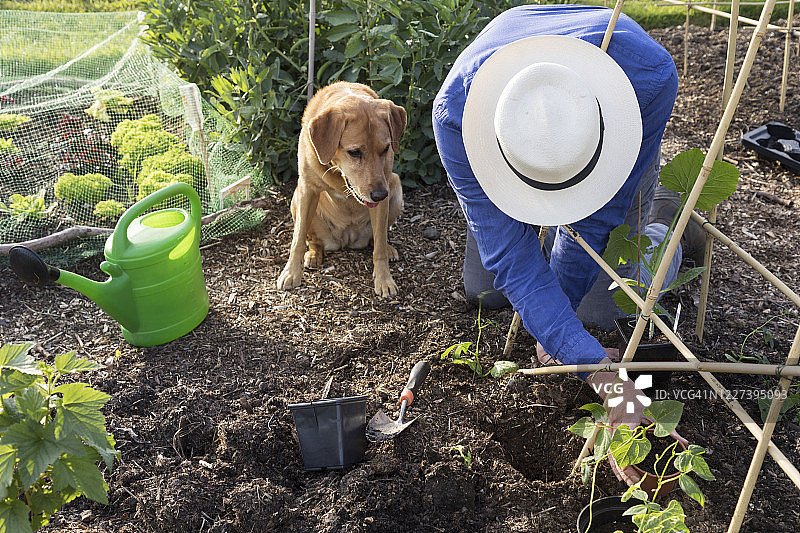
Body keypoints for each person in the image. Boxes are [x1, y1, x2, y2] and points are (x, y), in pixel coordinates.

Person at [432, 4, 702, 485]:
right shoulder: (456, 117)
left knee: (602, 309)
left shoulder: (650, 78)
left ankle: (668, 218)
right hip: (512, 145)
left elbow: (596, 224)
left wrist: (577, 348)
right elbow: (512, 261)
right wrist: (584, 359)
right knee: (486, 290)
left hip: (614, 152)